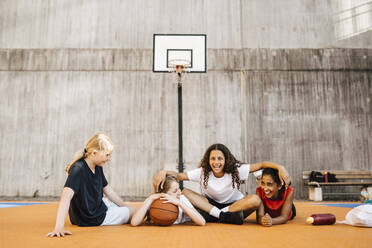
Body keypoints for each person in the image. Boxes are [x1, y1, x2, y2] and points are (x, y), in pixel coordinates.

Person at [153, 143, 290, 225]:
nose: (216, 162)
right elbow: (179, 176)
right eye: (213, 158)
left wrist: (280, 167)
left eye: (220, 158)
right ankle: (221, 216)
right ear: (208, 160)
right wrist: (163, 171)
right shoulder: (203, 172)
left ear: (226, 159)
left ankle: (219, 215)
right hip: (210, 206)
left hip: (234, 207)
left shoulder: (236, 170)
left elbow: (261, 164)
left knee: (255, 199)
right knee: (186, 192)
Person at [47, 132, 137, 237]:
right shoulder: (78, 169)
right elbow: (66, 195)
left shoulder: (97, 166)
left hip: (96, 208)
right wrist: (59, 227)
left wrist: (123, 204)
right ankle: (150, 213)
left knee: (122, 205)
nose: (109, 158)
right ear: (94, 153)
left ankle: (143, 211)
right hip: (92, 218)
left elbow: (108, 190)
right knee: (132, 212)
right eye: (107, 155)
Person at [131, 176, 205, 226]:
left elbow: (202, 222)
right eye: (175, 191)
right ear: (164, 193)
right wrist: (150, 199)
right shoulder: (153, 200)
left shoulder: (181, 199)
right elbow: (134, 222)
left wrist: (179, 203)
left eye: (179, 188)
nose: (179, 192)